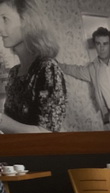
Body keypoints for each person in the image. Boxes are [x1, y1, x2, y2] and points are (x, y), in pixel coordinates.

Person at [0, 0, 65, 133]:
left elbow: (48, 134)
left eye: (4, 19)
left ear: (27, 21)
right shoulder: (14, 73)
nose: (0, 27)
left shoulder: (47, 69)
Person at [59, 27, 110, 131]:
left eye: (105, 44)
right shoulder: (92, 69)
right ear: (95, 45)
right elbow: (74, 70)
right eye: (98, 44)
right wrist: (56, 64)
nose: (102, 48)